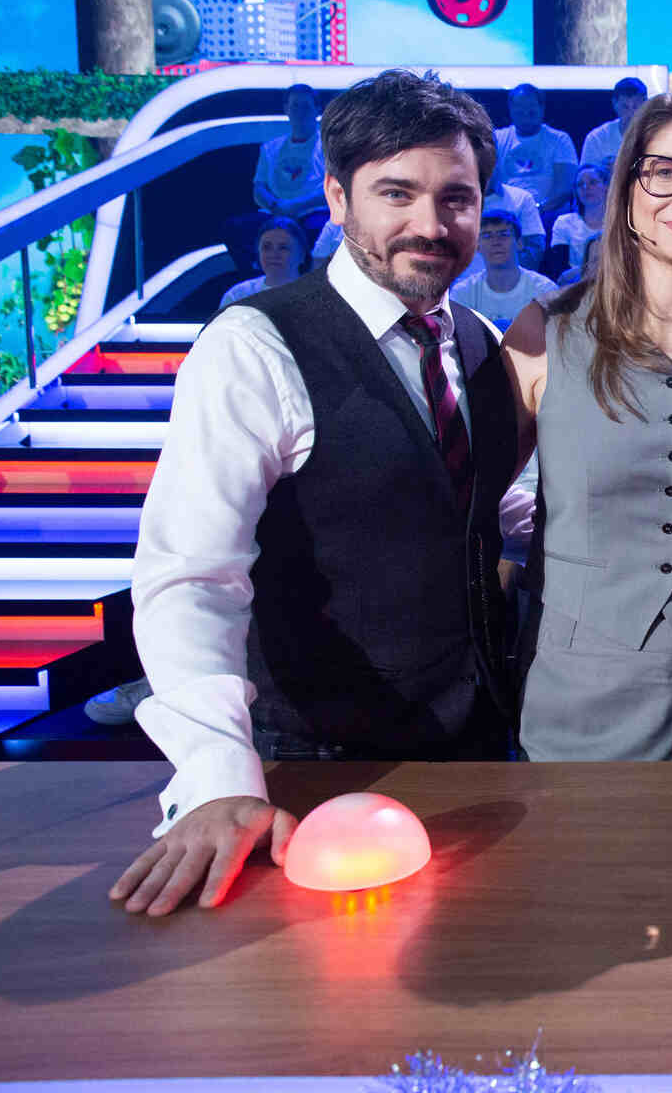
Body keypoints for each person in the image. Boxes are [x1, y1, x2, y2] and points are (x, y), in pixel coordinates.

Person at [115, 69, 518, 916]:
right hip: (313, 775)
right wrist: (218, 777)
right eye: (396, 193)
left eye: (455, 198)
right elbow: (191, 577)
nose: (430, 224)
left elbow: (483, 511)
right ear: (335, 198)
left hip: (477, 762)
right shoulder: (254, 346)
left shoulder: (480, 343)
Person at [502, 88, 672, 761]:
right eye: (664, 172)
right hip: (571, 692)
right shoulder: (546, 331)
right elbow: (468, 507)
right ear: (627, 191)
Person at [450, 209, 558, 326]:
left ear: (519, 243)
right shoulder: (463, 293)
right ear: (477, 246)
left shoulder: (545, 291)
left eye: (504, 234)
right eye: (487, 236)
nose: (496, 242)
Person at [493, 82, 577, 216]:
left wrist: (536, 210)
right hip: (507, 215)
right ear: (511, 109)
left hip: (547, 213)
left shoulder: (560, 140)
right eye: (520, 108)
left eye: (531, 108)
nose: (526, 113)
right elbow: (490, 183)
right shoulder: (497, 139)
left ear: (542, 108)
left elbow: (564, 189)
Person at [252, 83, 328, 228]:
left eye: (306, 106)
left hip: (314, 213)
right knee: (236, 226)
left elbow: (336, 188)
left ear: (317, 110)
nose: (300, 112)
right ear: (286, 109)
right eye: (295, 106)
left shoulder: (331, 147)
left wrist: (295, 206)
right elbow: (259, 189)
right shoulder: (269, 148)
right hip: (274, 212)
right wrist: (275, 206)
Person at [217, 216, 306, 311]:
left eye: (283, 248)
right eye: (266, 247)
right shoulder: (237, 296)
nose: (274, 255)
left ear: (302, 255)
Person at [548, 161, 608, 280]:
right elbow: (558, 270)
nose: (586, 188)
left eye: (593, 182)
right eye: (580, 185)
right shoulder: (564, 222)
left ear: (606, 186)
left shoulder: (619, 221)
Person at [580, 76, 649, 168]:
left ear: (646, 105)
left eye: (636, 107)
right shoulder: (597, 138)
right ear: (615, 104)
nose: (631, 114)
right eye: (625, 107)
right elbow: (585, 174)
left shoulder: (658, 135)